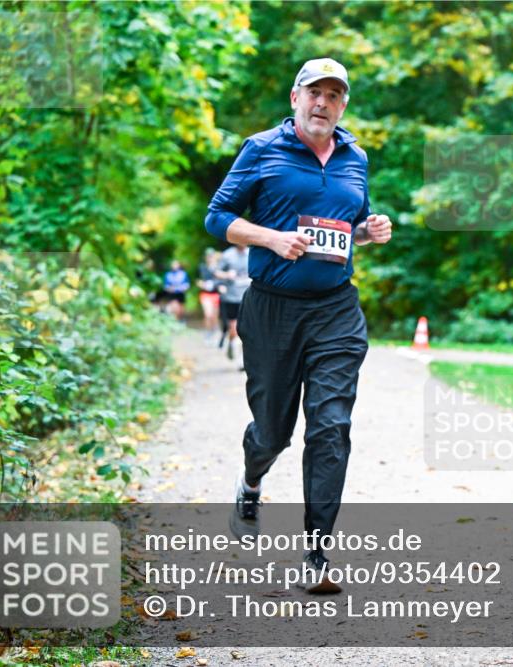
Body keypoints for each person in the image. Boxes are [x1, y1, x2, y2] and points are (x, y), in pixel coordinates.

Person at [204, 58, 392, 592]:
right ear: (295, 98)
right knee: (272, 431)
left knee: (331, 426)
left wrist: (369, 229)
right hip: (272, 308)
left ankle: (317, 554)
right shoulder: (262, 149)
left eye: (334, 95)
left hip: (336, 309)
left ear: (343, 104)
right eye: (314, 93)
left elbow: (347, 225)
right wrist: (270, 238)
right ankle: (250, 480)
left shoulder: (356, 156)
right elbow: (217, 217)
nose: (322, 104)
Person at [215, 243, 250, 363]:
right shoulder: (227, 255)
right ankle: (231, 344)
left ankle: (241, 358)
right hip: (232, 297)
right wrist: (227, 275)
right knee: (234, 329)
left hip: (249, 297)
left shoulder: (252, 253)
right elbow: (217, 272)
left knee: (247, 329)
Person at [197, 249, 221, 345]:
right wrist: (201, 284)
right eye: (208, 256)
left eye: (211, 256)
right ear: (205, 257)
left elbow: (222, 279)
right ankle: (207, 334)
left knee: (214, 317)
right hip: (205, 294)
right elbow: (197, 280)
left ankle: (214, 334)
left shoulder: (217, 267)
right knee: (208, 315)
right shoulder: (202, 267)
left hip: (215, 294)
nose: (210, 258)